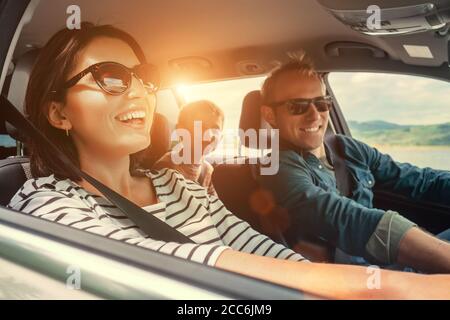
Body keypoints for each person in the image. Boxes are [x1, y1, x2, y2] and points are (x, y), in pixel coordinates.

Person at [7, 23, 450, 299]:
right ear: (59, 112)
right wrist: (392, 288)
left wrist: (332, 289)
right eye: (110, 77)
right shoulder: (46, 204)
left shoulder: (178, 186)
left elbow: (263, 253)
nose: (139, 91)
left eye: (144, 77)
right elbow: (171, 263)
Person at [257, 53, 450, 273]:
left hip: (388, 265)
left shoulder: (347, 148)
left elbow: (420, 180)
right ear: (270, 115)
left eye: (321, 103)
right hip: (357, 282)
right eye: (297, 106)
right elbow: (345, 218)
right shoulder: (275, 167)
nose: (314, 116)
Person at [153, 100, 223, 196]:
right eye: (200, 127)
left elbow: (213, 205)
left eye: (215, 129)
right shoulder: (165, 168)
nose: (209, 135)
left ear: (221, 137)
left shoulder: (207, 169)